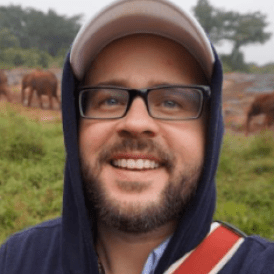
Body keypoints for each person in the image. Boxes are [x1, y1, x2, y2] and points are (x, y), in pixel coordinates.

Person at [1, 0, 274, 273]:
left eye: (171, 102)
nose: (136, 122)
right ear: (75, 126)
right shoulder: (16, 260)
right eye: (109, 100)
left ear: (210, 131)